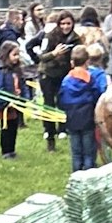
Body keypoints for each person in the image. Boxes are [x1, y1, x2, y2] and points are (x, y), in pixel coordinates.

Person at [26, 10, 79, 150]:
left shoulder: (76, 38)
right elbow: (41, 56)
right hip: (47, 73)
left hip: (65, 74)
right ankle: (49, 133)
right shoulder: (49, 36)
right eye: (63, 24)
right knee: (48, 103)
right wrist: (54, 53)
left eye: (68, 23)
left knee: (63, 101)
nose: (66, 27)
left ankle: (63, 129)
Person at [58, 45, 110, 171]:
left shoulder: (66, 80)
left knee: (76, 152)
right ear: (87, 61)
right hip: (87, 118)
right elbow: (96, 95)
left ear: (71, 62)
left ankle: (76, 174)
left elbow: (61, 99)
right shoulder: (90, 79)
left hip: (72, 119)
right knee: (88, 151)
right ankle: (88, 174)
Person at [0, 40, 32, 160]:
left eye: (18, 54)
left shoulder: (17, 69)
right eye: (14, 54)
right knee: (6, 128)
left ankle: (12, 150)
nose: (17, 57)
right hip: (5, 105)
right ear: (6, 55)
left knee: (14, 126)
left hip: (15, 103)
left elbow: (23, 84)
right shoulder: (0, 71)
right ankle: (6, 151)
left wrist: (25, 98)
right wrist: (5, 102)